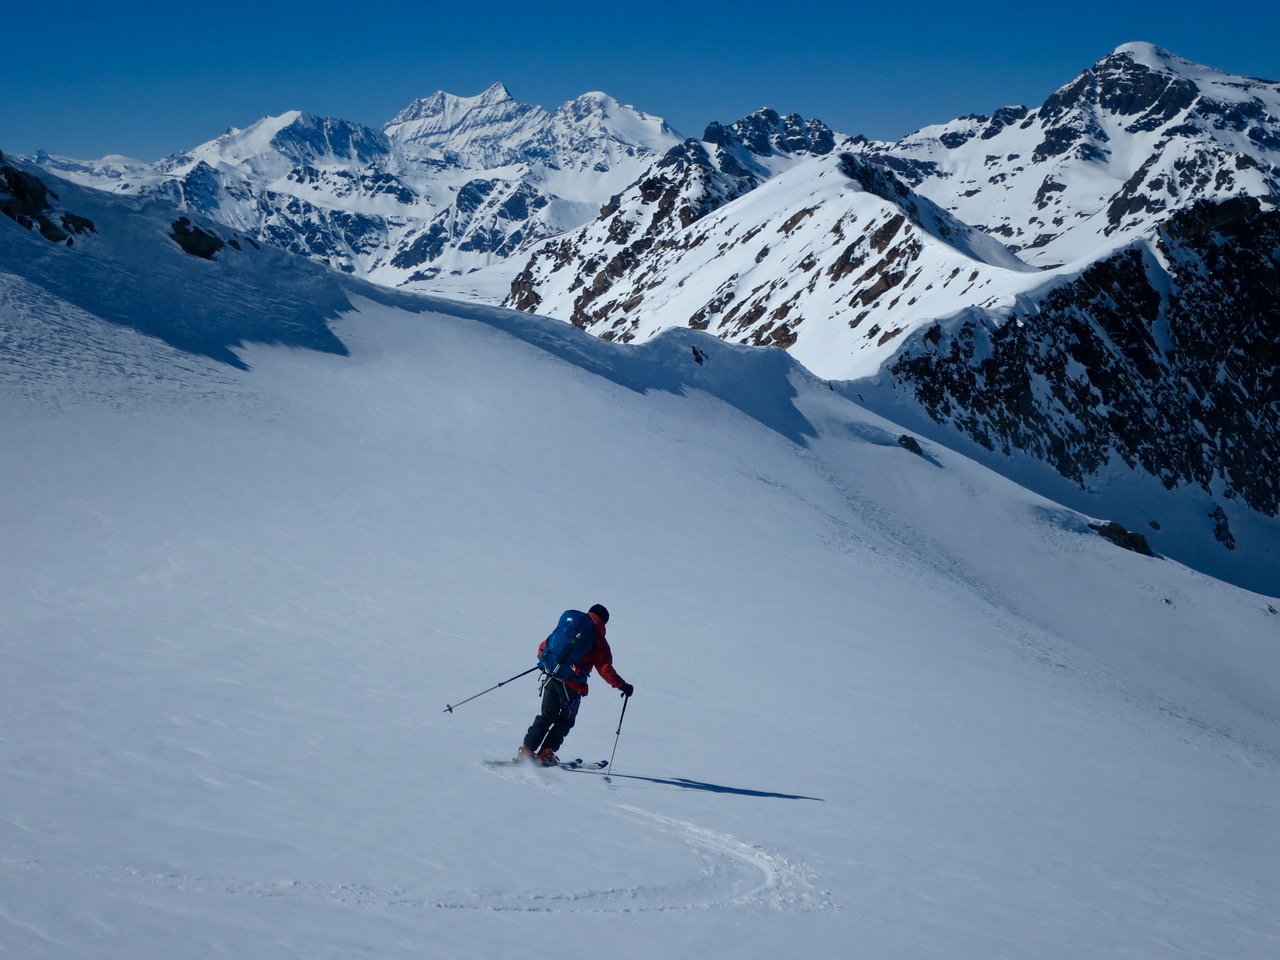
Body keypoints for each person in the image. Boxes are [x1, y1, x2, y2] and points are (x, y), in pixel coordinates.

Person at [517, 603, 633, 765]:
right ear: (604, 621)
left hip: (551, 676)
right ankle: (545, 754)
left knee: (546, 716)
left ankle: (527, 750)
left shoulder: (570, 626)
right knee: (566, 720)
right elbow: (605, 669)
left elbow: (543, 648)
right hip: (572, 686)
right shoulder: (597, 638)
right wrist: (623, 686)